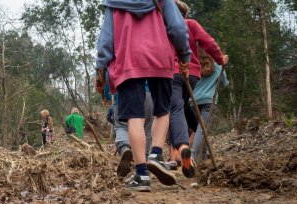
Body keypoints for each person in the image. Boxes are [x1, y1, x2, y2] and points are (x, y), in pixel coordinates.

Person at [96, 0, 191, 191]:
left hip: (128, 60)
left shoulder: (114, 2)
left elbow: (106, 39)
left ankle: (141, 174)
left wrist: (100, 68)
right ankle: (156, 154)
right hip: (161, 57)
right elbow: (177, 28)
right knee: (163, 110)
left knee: (135, 117)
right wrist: (184, 54)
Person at [164, 0, 228, 178]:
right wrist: (220, 58)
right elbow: (208, 42)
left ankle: (184, 149)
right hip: (192, 74)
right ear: (184, 13)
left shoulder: (162, 28)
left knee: (175, 109)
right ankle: (189, 144)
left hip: (171, 73)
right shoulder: (191, 24)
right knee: (181, 108)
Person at [105, 78, 155, 177]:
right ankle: (143, 160)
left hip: (123, 94)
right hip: (149, 95)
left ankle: (124, 147)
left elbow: (108, 86)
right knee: (146, 129)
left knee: (121, 127)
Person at [192, 50, 228, 163]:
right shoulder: (217, 67)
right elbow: (224, 83)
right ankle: (192, 156)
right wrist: (223, 66)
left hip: (193, 102)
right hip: (209, 101)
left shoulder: (194, 65)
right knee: (202, 130)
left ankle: (203, 163)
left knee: (202, 131)